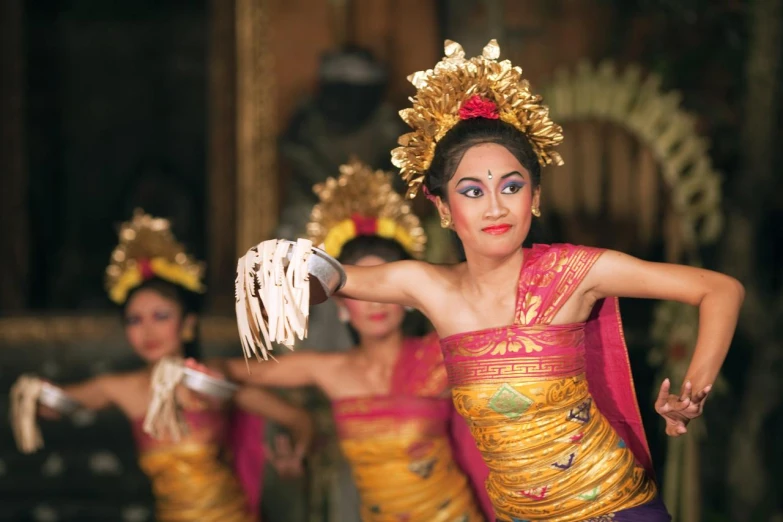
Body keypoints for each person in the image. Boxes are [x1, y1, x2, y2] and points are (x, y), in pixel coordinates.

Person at [238, 41, 744, 522]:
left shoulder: (575, 272)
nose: (496, 207)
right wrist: (284, 268)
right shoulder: (430, 288)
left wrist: (692, 391)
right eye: (472, 191)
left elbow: (720, 289)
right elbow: (338, 276)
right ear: (442, 207)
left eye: (512, 186)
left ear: (536, 196)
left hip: (613, 508)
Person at [223, 159, 493, 521]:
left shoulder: (440, 356)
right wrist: (296, 421)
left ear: (408, 296)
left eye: (383, 287)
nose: (374, 303)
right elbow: (229, 375)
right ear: (340, 306)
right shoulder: (330, 371)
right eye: (360, 290)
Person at [13, 210, 313, 522]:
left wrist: (295, 454)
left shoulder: (212, 378)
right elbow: (57, 404)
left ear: (187, 324)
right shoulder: (122, 388)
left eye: (161, 316)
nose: (148, 331)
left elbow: (298, 418)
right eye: (135, 320)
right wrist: (31, 396)